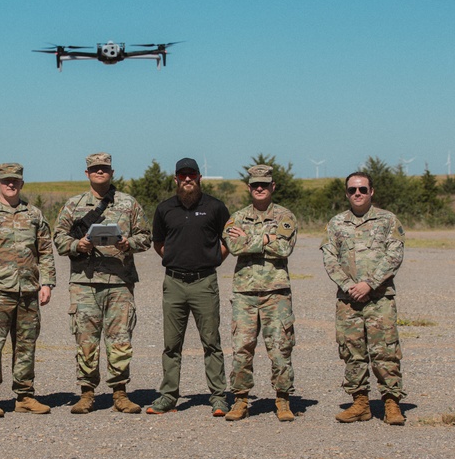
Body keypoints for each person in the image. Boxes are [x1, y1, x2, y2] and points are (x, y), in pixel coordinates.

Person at [53, 153, 152, 414]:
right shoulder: (74, 205)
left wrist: (127, 243)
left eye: (104, 169)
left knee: (120, 340)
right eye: (95, 169)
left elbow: (145, 237)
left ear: (112, 172)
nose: (100, 172)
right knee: (86, 340)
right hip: (84, 283)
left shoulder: (129, 204)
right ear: (87, 173)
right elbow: (59, 239)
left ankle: (120, 392)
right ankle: (87, 393)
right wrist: (78, 244)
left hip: (119, 282)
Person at [0, 162, 56, 416]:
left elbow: (45, 252)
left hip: (28, 291)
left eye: (15, 181)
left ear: (21, 184)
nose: (10, 184)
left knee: (26, 345)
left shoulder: (34, 215)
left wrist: (47, 282)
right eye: (6, 180)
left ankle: (24, 395)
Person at [321, 171, 407, 425]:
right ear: (346, 193)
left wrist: (368, 284)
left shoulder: (388, 220)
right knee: (351, 351)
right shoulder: (336, 223)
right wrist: (349, 286)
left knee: (385, 351)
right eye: (352, 190)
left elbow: (394, 255)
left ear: (372, 192)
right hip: (348, 300)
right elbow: (329, 258)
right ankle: (360, 403)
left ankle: (391, 403)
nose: (357, 194)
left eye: (362, 189)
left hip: (380, 299)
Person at [147, 158, 231, 417]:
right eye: (182, 176)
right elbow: (158, 243)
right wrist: (173, 259)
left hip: (204, 282)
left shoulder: (215, 207)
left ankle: (218, 397)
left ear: (199, 177)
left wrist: (214, 259)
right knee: (171, 345)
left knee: (211, 342)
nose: (186, 180)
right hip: (174, 283)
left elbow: (227, 239)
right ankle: (168, 396)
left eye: (191, 175)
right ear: (175, 179)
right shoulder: (164, 209)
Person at [223, 164, 298, 422]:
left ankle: (283, 399)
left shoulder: (286, 216)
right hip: (245, 293)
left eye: (264, 184)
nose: (259, 188)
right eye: (255, 184)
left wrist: (251, 239)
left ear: (272, 186)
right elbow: (233, 246)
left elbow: (284, 248)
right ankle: (241, 399)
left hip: (276, 293)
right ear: (249, 187)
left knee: (280, 348)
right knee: (242, 347)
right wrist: (267, 238)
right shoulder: (237, 217)